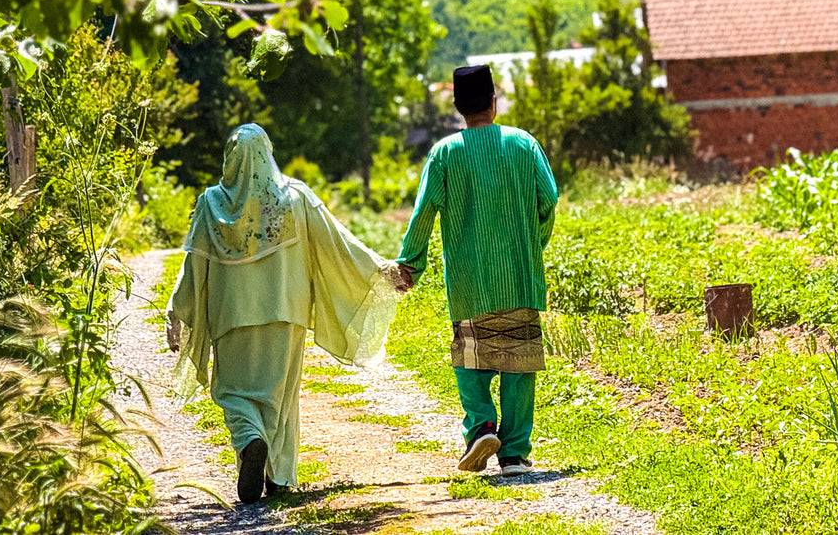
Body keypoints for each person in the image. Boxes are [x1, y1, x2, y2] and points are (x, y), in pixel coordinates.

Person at [165, 123, 400, 504]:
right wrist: (380, 269)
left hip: (232, 314)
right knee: (281, 395)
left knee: (233, 391)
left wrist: (178, 308)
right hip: (285, 312)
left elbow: (193, 265)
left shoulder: (210, 204)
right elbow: (338, 242)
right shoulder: (296, 197)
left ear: (231, 158)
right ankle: (279, 476)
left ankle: (249, 441)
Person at [394, 64, 559, 477]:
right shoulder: (523, 143)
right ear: (493, 102)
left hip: (468, 280)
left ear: (458, 108)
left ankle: (482, 426)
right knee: (519, 360)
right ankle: (516, 452)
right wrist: (531, 244)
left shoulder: (445, 153)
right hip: (519, 275)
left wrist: (411, 261)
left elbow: (424, 210)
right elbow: (548, 199)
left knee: (470, 356)